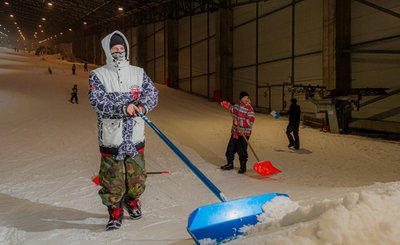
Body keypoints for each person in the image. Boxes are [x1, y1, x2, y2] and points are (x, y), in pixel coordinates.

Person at [88, 30, 158, 231]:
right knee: (113, 180)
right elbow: (97, 101)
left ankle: (132, 200)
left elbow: (152, 93)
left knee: (137, 177)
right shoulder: (98, 75)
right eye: (114, 49)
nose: (118, 51)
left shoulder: (138, 73)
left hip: (135, 137)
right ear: (107, 52)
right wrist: (123, 107)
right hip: (112, 138)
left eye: (121, 48)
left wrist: (143, 106)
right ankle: (115, 210)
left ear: (126, 50)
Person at [220, 91, 255, 174]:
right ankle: (230, 164)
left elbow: (250, 122)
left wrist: (239, 122)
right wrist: (226, 104)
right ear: (241, 99)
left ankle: (243, 167)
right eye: (244, 98)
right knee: (229, 150)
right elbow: (231, 108)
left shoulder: (249, 109)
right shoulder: (236, 106)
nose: (246, 99)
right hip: (235, 132)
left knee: (241, 151)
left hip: (244, 134)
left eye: (247, 97)